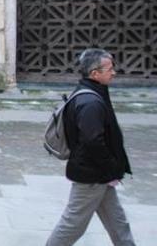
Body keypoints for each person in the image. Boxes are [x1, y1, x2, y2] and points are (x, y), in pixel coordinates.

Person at [46, 48, 135, 246]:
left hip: (100, 174)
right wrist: (111, 167)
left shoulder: (93, 95)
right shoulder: (89, 102)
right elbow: (93, 142)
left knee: (118, 223)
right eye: (109, 69)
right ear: (95, 73)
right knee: (72, 225)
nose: (113, 72)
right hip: (92, 175)